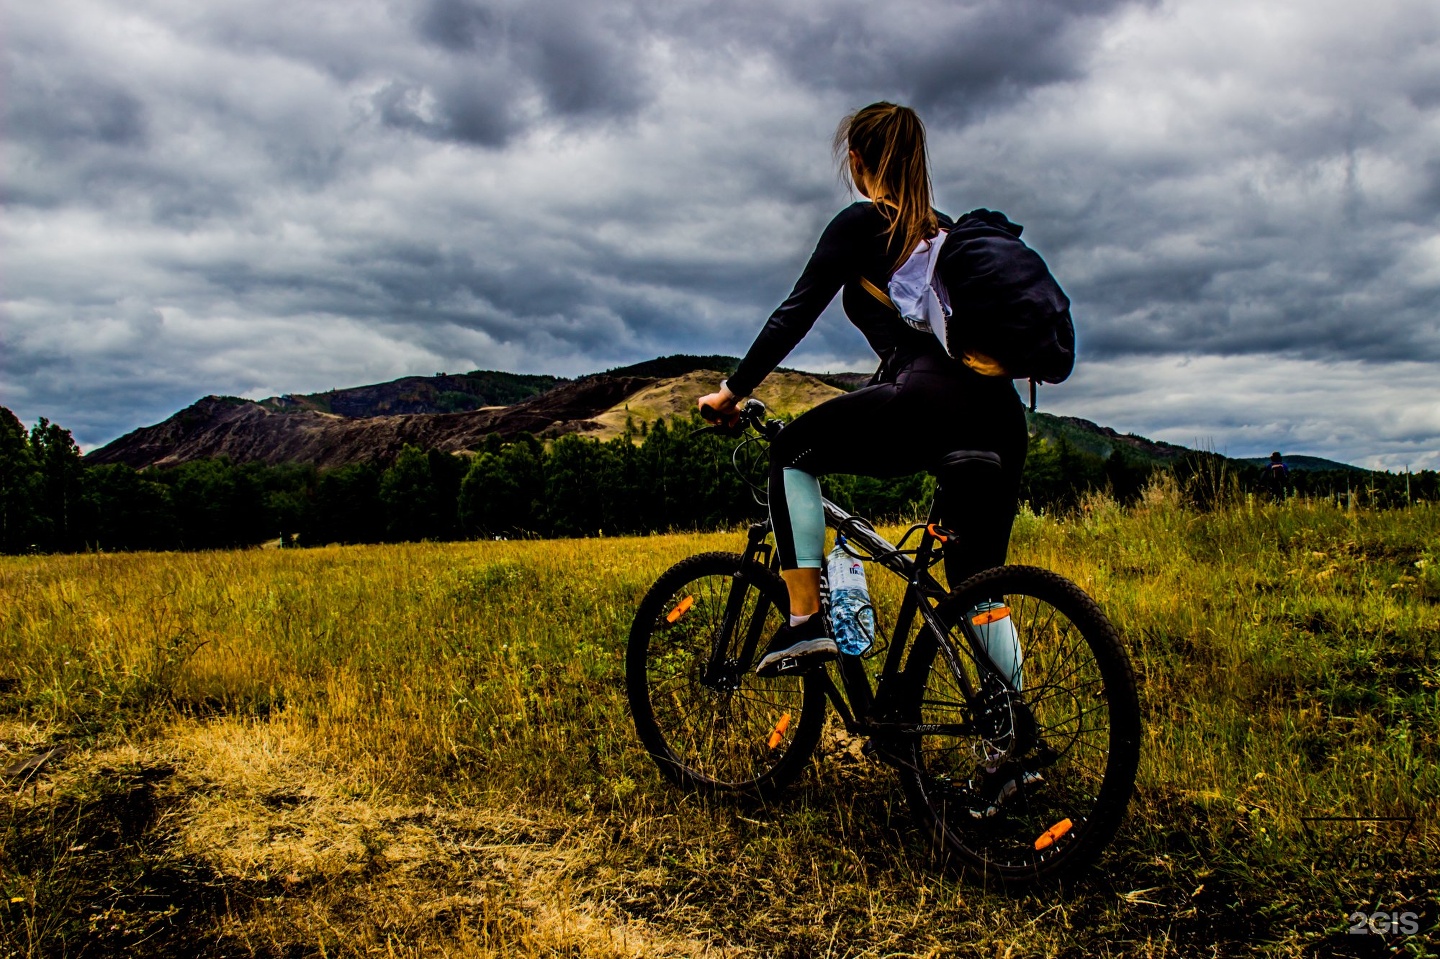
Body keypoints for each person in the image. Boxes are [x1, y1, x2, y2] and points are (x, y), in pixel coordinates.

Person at [698, 102, 1029, 677]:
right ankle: (1013, 740)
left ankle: (805, 624)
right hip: (1001, 415)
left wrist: (732, 390)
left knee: (789, 455)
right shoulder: (947, 233)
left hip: (929, 400)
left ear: (855, 160)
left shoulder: (862, 223)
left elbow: (794, 314)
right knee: (978, 589)